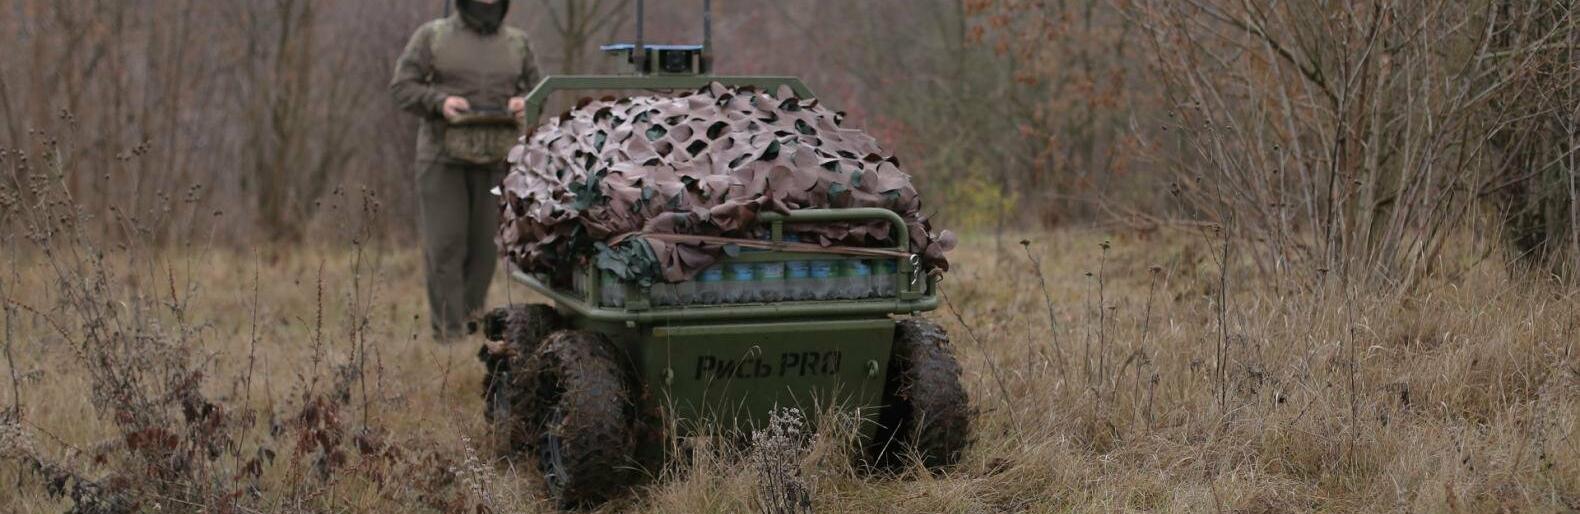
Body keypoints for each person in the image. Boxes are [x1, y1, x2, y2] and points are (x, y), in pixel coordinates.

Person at [390, 0, 539, 341]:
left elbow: (539, 90)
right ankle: (448, 335)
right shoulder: (433, 37)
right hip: (443, 159)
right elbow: (402, 87)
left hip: (496, 161)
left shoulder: (518, 43)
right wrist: (439, 102)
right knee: (445, 246)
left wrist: (525, 102)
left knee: (486, 251)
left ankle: (472, 326)